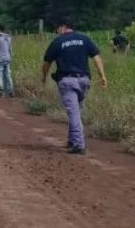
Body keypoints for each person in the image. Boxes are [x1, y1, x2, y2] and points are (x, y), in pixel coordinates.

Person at [41, 19, 108, 155]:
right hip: (84, 80)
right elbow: (96, 58)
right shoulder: (84, 39)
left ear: (63, 27)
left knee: (73, 113)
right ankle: (72, 140)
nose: (57, 31)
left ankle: (78, 144)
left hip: (67, 81)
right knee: (76, 111)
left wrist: (44, 77)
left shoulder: (58, 42)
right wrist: (102, 76)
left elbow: (47, 63)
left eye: (58, 28)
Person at [0, 23, 14, 97]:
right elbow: (10, 49)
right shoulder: (8, 37)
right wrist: (10, 57)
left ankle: (0, 90)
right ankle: (10, 90)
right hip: (7, 58)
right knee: (8, 75)